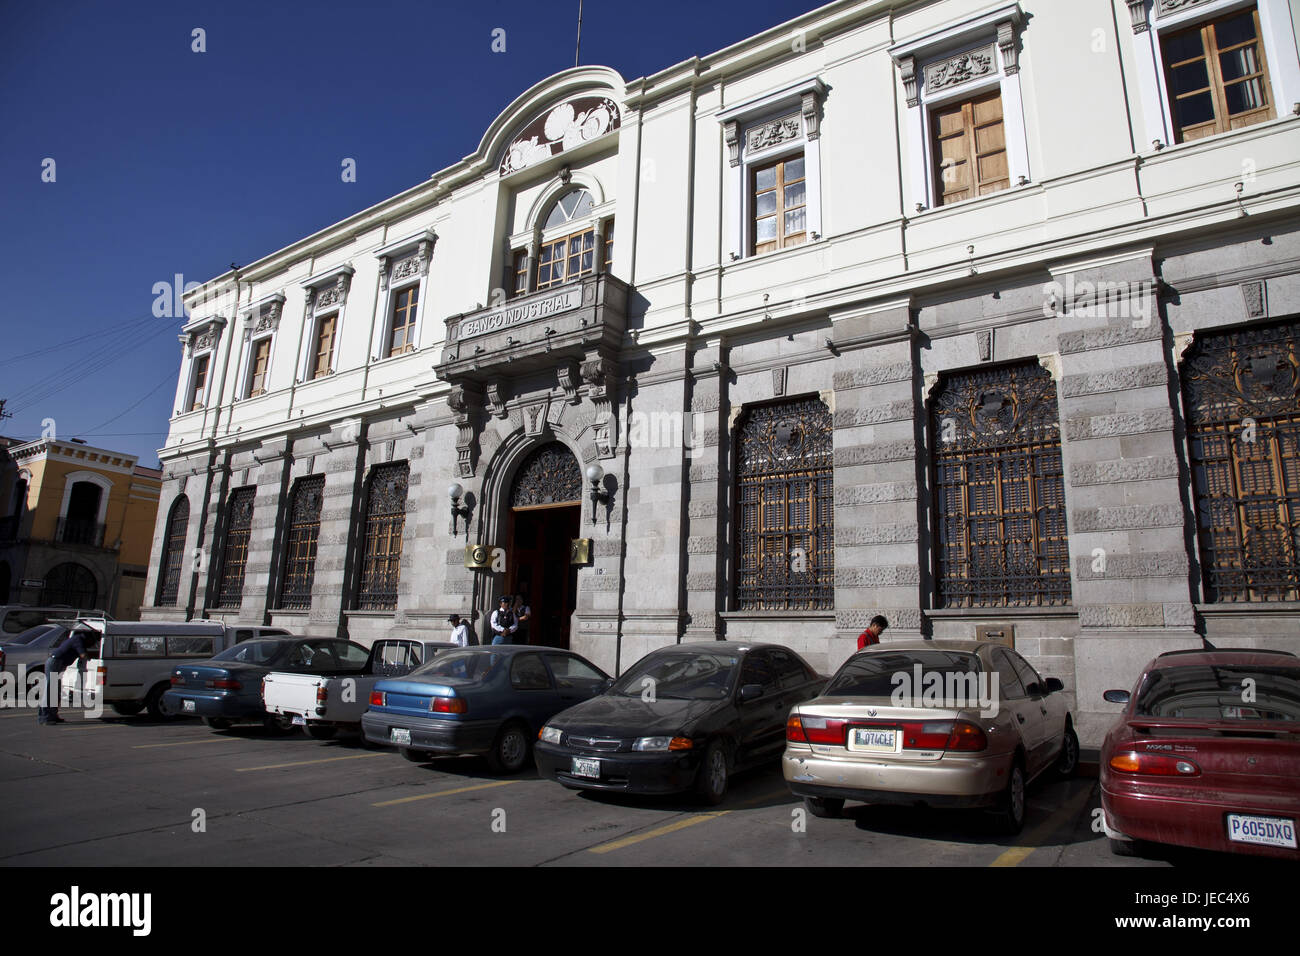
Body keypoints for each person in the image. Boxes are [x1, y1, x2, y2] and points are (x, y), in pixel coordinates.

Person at [38, 628, 96, 725]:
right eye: (93, 641)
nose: (92, 644)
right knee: (50, 691)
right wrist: (92, 658)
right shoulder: (78, 640)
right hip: (55, 663)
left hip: (57, 663)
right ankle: (45, 717)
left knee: (55, 691)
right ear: (88, 637)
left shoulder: (77, 639)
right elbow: (83, 655)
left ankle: (52, 716)